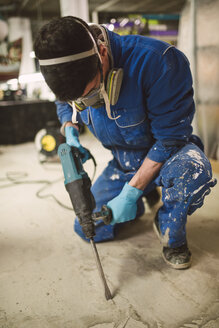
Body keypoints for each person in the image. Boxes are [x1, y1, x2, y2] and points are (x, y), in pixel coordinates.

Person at [34, 16, 216, 270]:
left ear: (102, 53)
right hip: (124, 163)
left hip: (168, 156)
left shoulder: (159, 61)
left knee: (192, 170)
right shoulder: (72, 77)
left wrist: (130, 193)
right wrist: (70, 129)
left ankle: (167, 226)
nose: (84, 101)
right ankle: (144, 195)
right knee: (88, 227)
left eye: (89, 93)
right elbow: (64, 103)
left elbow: (170, 139)